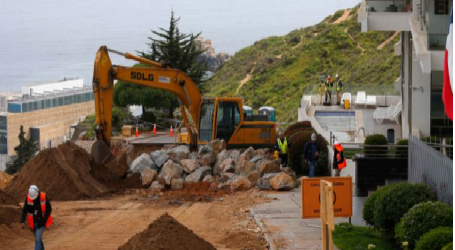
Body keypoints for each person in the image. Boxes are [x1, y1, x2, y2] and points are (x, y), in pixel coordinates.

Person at [21, 185, 53, 250]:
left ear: (37, 193)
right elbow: (24, 210)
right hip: (33, 223)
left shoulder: (43, 197)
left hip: (41, 222)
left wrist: (44, 220)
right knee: (38, 239)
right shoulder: (28, 198)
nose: (34, 199)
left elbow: (49, 209)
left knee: (37, 238)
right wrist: (22, 221)